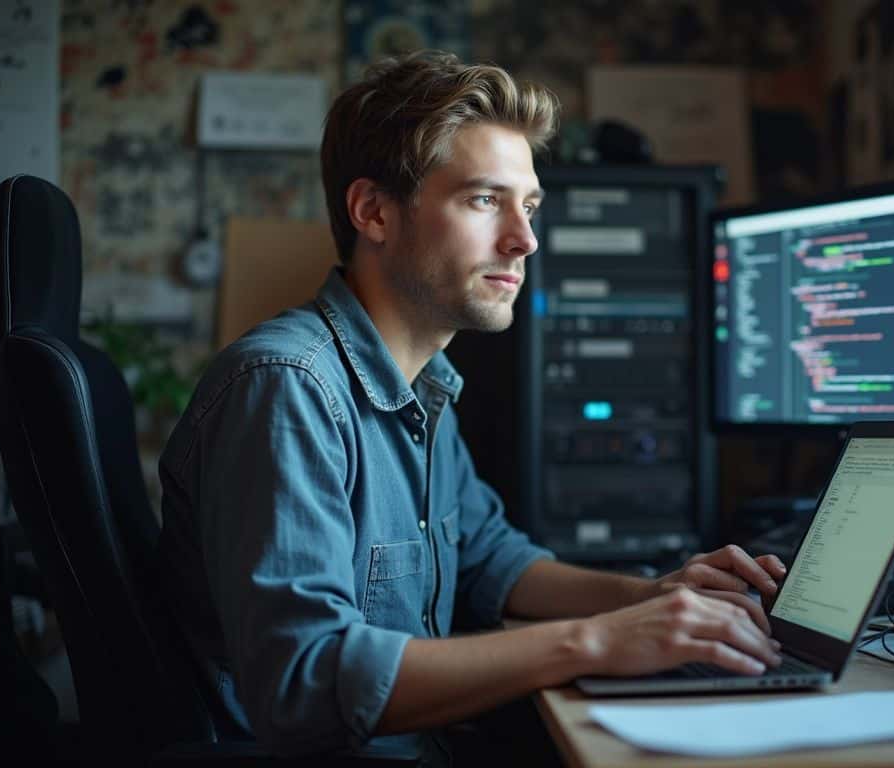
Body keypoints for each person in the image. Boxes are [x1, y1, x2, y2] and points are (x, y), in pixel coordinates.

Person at [158, 50, 785, 761]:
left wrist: (647, 598)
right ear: (373, 212)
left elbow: (491, 560)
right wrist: (596, 641)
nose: (525, 240)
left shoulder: (424, 382)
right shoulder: (286, 388)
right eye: (485, 200)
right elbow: (305, 679)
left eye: (531, 205)